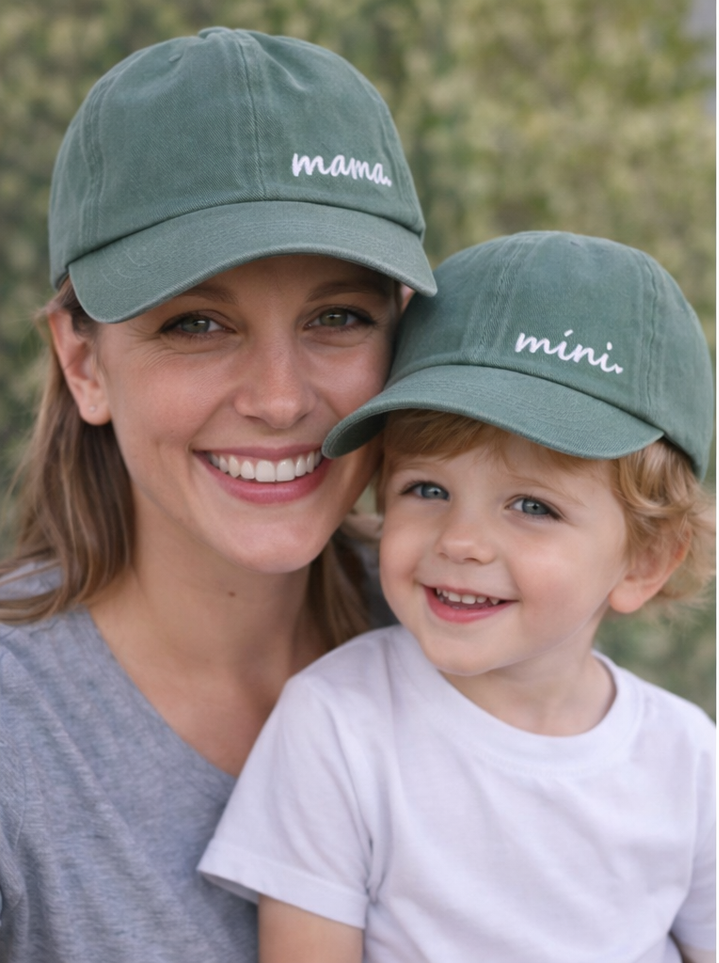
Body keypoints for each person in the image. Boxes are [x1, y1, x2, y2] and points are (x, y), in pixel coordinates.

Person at [0, 28, 436, 962]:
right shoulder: (18, 743)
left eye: (337, 318)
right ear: (83, 363)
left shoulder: (467, 629)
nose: (280, 397)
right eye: (197, 323)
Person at [198, 232, 717, 963]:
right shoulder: (338, 726)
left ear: (646, 561)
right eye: (428, 489)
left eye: (533, 506)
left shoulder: (687, 758)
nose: (463, 540)